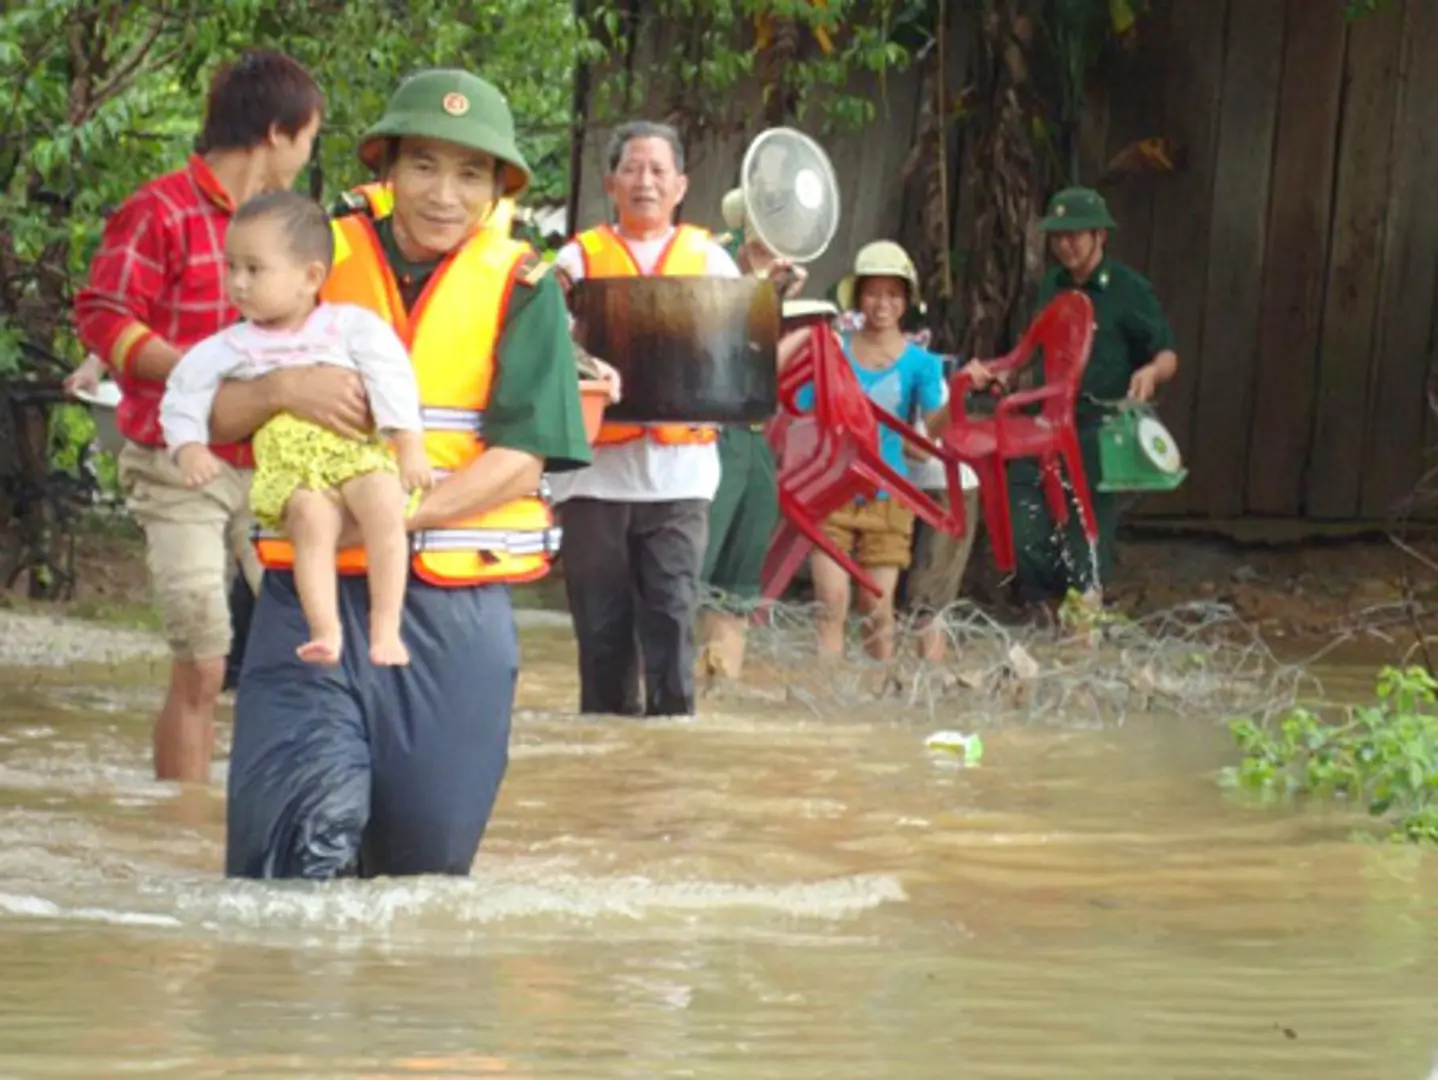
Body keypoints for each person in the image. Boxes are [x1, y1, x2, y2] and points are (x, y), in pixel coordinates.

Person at [208, 68, 594, 879]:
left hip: (453, 617)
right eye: (423, 164)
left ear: (498, 187)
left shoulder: (525, 287)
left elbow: (523, 458)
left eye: (470, 173)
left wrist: (388, 518)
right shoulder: (308, 253)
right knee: (289, 869)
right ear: (386, 165)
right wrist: (283, 387)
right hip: (305, 604)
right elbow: (212, 416)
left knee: (419, 881)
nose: (444, 195)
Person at [72, 49, 323, 783]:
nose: (308, 155)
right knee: (204, 662)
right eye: (309, 136)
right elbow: (102, 316)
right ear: (277, 133)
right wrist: (193, 370)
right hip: (175, 466)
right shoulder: (160, 210)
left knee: (310, 642)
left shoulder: (283, 228)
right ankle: (179, 831)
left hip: (266, 467)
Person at [160, 191, 429, 669]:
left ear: (310, 277)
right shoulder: (230, 346)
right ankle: (325, 630)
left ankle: (385, 627)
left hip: (355, 452)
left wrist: (408, 444)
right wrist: (188, 447)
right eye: (232, 267)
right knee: (309, 521)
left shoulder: (349, 327)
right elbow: (183, 391)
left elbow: (392, 376)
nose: (238, 284)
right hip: (291, 468)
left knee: (386, 503)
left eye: (254, 269)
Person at [549, 121, 741, 718]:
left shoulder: (712, 260)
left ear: (681, 185)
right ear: (610, 182)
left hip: (680, 478)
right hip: (593, 476)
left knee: (671, 622)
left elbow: (737, 352)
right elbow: (545, 346)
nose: (645, 182)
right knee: (601, 634)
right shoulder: (575, 259)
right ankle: (606, 768)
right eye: (632, 169)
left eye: (659, 171)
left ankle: (668, 763)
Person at [957, 186, 1178, 605]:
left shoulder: (1128, 289)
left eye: (1076, 235)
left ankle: (1086, 605)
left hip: (1100, 424)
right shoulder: (1052, 287)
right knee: (1023, 511)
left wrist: (1151, 372)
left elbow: (1167, 354)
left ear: (1101, 236)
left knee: (1086, 521)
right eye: (1058, 236)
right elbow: (1032, 352)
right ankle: (1042, 601)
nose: (1066, 244)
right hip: (1044, 421)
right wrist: (1002, 375)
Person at [795, 241, 946, 662]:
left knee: (877, 610)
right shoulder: (832, 351)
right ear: (858, 296)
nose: (882, 303)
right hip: (831, 493)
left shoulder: (923, 365)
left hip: (890, 499)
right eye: (873, 292)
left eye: (893, 294)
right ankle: (828, 706)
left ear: (906, 302)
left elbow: (930, 438)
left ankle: (876, 704)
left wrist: (961, 398)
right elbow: (805, 412)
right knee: (830, 605)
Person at [696, 187, 808, 680]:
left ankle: (723, 701)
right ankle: (668, 699)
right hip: (712, 436)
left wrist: (778, 302)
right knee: (689, 579)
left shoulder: (775, 287)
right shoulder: (708, 267)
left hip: (754, 437)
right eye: (760, 232)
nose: (769, 245)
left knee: (737, 589)